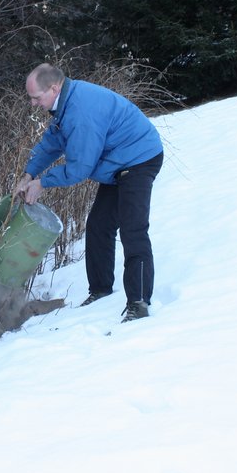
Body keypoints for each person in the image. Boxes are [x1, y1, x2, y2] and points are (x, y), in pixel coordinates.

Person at [14, 63, 164, 322]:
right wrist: (28, 174)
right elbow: (51, 143)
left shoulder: (80, 112)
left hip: (139, 158)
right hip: (117, 163)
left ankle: (138, 303)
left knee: (133, 229)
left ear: (54, 88)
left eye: (36, 97)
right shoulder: (65, 103)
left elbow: (79, 168)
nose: (33, 103)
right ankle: (100, 290)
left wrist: (42, 183)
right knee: (98, 225)